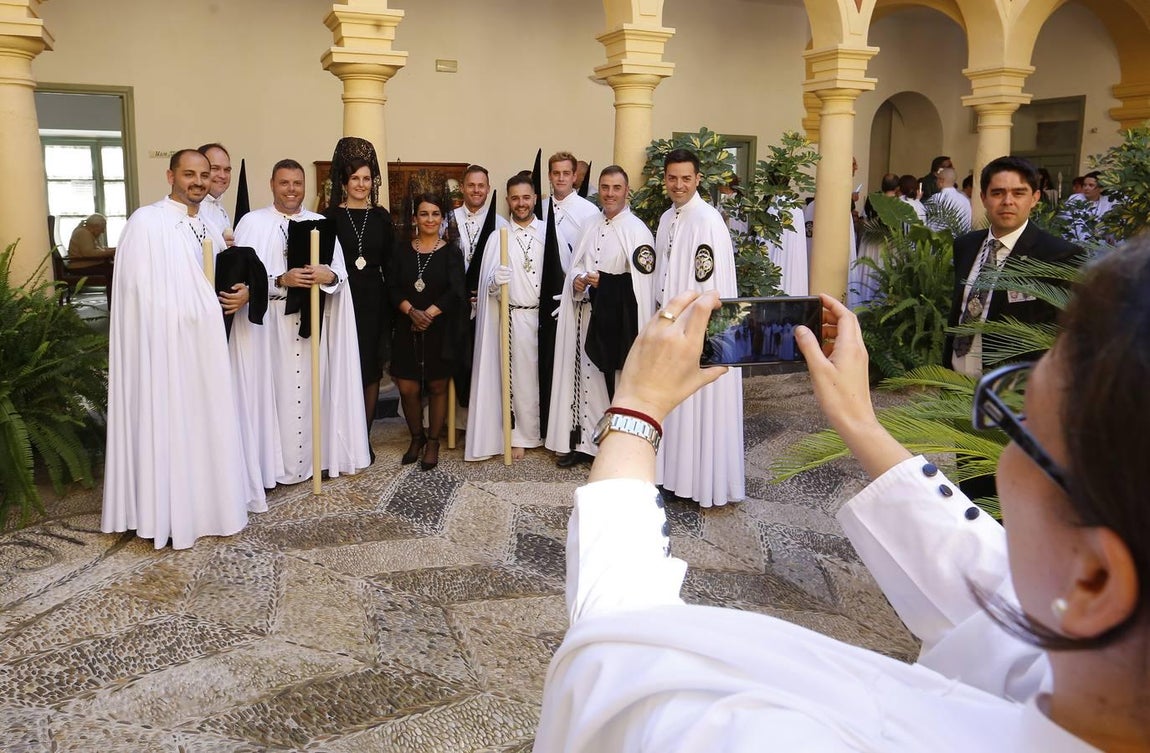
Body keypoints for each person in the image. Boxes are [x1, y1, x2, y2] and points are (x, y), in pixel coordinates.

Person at [535, 250, 1150, 749]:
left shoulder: (779, 738)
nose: (1003, 444)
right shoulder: (1100, 663)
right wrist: (860, 422)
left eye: (1021, 422)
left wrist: (638, 407)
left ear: (1096, 579)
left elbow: (619, 653)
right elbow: (981, 575)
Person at [102, 149, 264, 550]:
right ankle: (168, 510)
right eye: (189, 173)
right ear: (170, 175)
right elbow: (138, 292)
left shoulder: (208, 224)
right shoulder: (148, 221)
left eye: (204, 175)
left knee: (207, 422)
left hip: (207, 348)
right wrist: (192, 312)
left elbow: (222, 277)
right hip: (167, 350)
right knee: (173, 424)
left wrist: (243, 292)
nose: (198, 181)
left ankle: (208, 505)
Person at [231, 159, 370, 486]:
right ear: (272, 184)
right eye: (284, 183)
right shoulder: (252, 222)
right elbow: (242, 280)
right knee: (274, 394)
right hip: (270, 326)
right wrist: (282, 278)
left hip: (312, 322)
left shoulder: (320, 221)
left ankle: (313, 460)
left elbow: (340, 274)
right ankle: (273, 467)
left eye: (297, 183)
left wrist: (328, 274)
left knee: (312, 393)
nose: (291, 189)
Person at [546, 165, 657, 468]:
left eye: (616, 188)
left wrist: (605, 283)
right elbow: (576, 264)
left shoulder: (637, 231)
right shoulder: (590, 223)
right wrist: (579, 280)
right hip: (584, 315)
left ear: (626, 191)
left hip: (614, 323)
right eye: (604, 188)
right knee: (580, 380)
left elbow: (643, 285)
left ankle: (608, 448)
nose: (609, 194)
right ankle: (579, 442)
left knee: (608, 383)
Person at [654, 148, 744, 507]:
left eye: (686, 178)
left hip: (698, 334)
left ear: (698, 180)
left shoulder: (707, 220)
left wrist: (696, 334)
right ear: (665, 179)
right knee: (675, 406)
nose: (679, 185)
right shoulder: (666, 219)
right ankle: (675, 477)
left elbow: (709, 284)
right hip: (672, 329)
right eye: (672, 178)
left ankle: (697, 482)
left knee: (698, 405)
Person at [466, 174, 548, 461]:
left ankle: (544, 433)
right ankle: (518, 436)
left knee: (543, 378)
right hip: (513, 319)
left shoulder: (548, 234)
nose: (521, 203)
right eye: (515, 198)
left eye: (526, 197)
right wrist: (493, 281)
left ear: (535, 198)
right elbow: (487, 286)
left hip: (543, 319)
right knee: (518, 380)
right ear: (508, 201)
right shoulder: (497, 237)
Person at [323, 136, 396, 438]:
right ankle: (341, 436)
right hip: (341, 299)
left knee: (370, 368)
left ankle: (363, 436)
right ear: (344, 181)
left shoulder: (381, 217)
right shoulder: (330, 218)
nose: (361, 184)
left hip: (374, 301)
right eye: (355, 178)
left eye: (366, 178)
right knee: (342, 366)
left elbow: (392, 264)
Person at [388, 193, 466, 470]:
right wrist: (411, 311)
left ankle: (433, 441)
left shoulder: (451, 252)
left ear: (443, 219)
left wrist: (429, 314)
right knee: (407, 387)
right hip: (406, 324)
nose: (430, 219)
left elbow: (456, 290)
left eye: (435, 214)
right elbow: (393, 287)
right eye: (424, 214)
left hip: (439, 327)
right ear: (414, 218)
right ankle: (416, 437)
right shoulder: (401, 250)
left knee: (437, 385)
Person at [543, 151, 599, 270]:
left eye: (566, 173)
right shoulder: (540, 207)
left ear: (574, 176)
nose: (561, 178)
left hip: (576, 282)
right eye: (556, 173)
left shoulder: (589, 211)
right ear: (549, 176)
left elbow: (595, 254)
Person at [452, 164, 509, 280]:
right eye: (471, 185)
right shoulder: (448, 220)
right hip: (453, 294)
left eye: (481, 186)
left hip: (488, 293)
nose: (476, 190)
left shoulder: (501, 225)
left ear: (488, 189)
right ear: (462, 188)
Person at [197, 143, 234, 241]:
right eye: (215, 168)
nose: (222, 175)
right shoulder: (189, 208)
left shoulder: (219, 209)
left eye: (227, 170)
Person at [926, 166, 972, 233]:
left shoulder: (935, 199)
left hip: (941, 241)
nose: (936, 182)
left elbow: (929, 223)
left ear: (941, 180)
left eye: (937, 179)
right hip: (961, 240)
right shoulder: (965, 200)